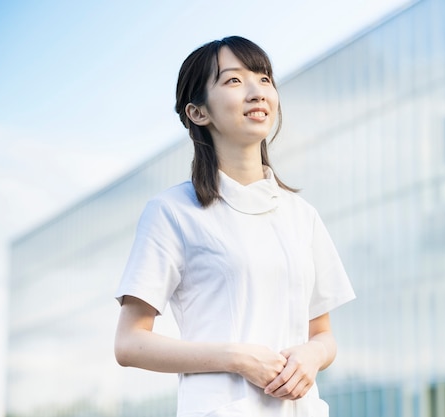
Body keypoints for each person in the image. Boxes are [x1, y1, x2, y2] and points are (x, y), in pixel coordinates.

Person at [114, 35, 355, 417]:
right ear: (198, 113)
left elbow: (322, 334)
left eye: (264, 78)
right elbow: (129, 344)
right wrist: (238, 358)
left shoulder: (301, 215)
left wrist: (311, 355)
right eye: (233, 80)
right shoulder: (172, 212)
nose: (257, 91)